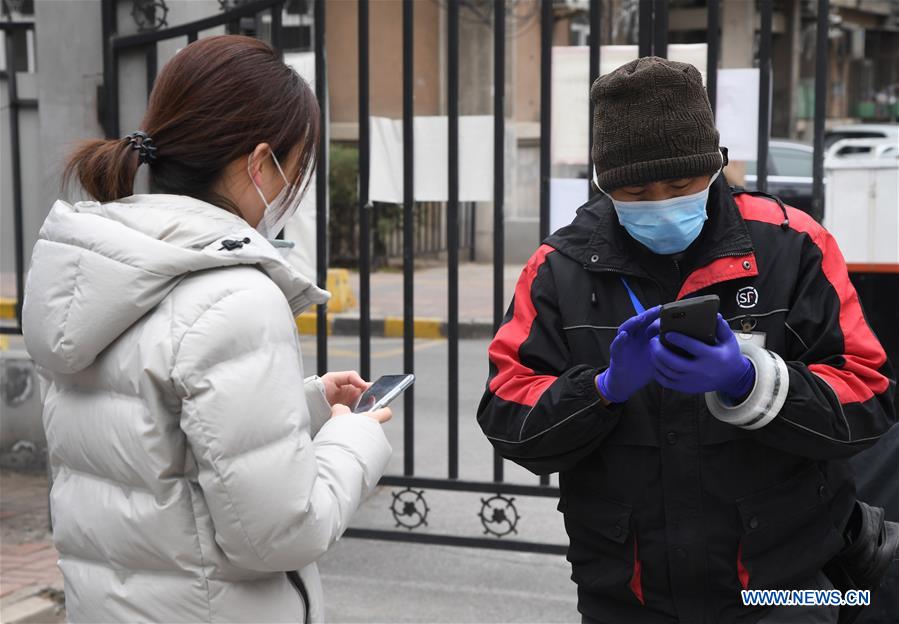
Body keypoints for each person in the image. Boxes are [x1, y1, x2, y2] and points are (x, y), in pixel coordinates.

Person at [477, 57, 897, 624]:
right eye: (636, 189)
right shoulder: (558, 267)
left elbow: (868, 397)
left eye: (680, 184)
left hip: (786, 587)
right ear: (606, 184)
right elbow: (508, 415)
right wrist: (600, 391)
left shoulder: (793, 244)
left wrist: (751, 382)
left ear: (715, 165)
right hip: (625, 596)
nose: (659, 203)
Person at [22, 35, 392, 623]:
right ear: (261, 162)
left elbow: (151, 435)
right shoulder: (235, 295)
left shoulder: (99, 270)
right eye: (297, 168)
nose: (293, 187)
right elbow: (277, 532)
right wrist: (354, 442)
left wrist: (308, 407)